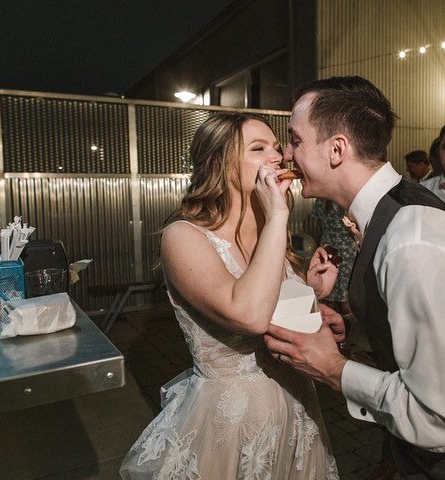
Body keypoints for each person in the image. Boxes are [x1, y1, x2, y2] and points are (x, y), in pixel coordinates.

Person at [264, 75, 445, 479]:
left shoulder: (413, 243)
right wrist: (361, 322)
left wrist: (333, 368)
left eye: (295, 140)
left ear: (337, 149)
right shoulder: (395, 211)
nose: (286, 154)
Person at [119, 113, 340, 479]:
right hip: (230, 428)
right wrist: (279, 217)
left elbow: (278, 320)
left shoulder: (274, 236)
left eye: (277, 147)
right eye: (258, 148)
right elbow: (249, 315)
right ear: (219, 164)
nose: (278, 157)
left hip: (295, 415)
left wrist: (313, 293)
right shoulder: (184, 236)